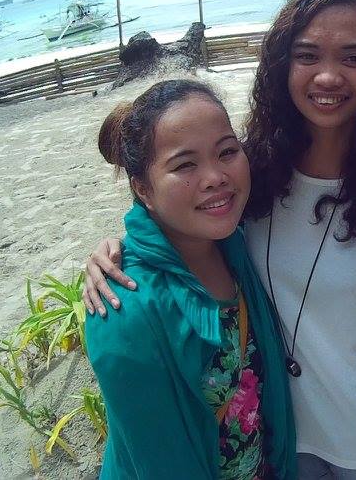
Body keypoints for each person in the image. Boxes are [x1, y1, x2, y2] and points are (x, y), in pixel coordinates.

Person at [81, 0, 356, 479]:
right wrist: (120, 250)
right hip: (281, 439)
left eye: (354, 57)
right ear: (283, 64)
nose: (328, 76)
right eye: (307, 55)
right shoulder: (254, 176)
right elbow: (180, 211)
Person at [85, 80, 295, 479]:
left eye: (227, 152)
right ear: (143, 189)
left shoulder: (238, 245)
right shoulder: (123, 309)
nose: (215, 177)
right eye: (185, 165)